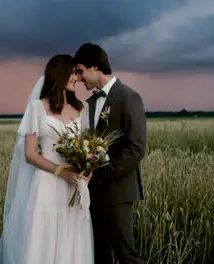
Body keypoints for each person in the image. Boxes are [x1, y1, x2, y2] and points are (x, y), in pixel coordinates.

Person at [0, 54, 94, 264]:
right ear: (59, 74)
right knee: (43, 243)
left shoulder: (81, 108)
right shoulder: (37, 108)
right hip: (47, 186)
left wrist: (88, 169)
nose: (76, 78)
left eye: (77, 73)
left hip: (74, 187)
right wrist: (62, 172)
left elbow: (87, 146)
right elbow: (30, 154)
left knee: (72, 240)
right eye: (72, 73)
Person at [74, 42, 146, 264]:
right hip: (92, 193)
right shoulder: (88, 104)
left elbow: (136, 148)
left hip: (118, 192)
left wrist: (102, 174)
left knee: (126, 256)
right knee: (99, 254)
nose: (77, 77)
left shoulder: (128, 97)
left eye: (80, 70)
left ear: (95, 67)